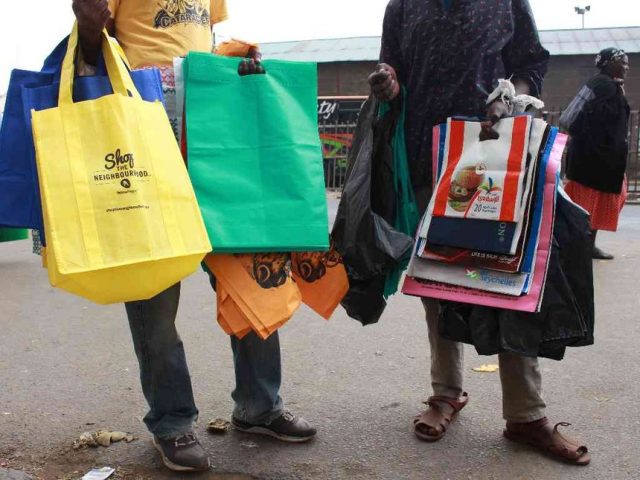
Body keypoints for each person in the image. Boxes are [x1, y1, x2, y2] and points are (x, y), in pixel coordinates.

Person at [71, 0, 316, 472]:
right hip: (145, 137)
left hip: (216, 134)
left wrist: (235, 63)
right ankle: (171, 421)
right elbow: (88, 52)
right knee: (155, 292)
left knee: (250, 282)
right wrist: (85, 27)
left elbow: (199, 44)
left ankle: (259, 407)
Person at [369, 0, 590, 466]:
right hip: (430, 154)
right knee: (438, 280)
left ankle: (525, 416)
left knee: (505, 277)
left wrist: (512, 94)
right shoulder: (403, 5)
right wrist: (388, 81)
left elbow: (531, 60)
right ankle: (446, 393)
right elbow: (394, 66)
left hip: (498, 156)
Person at [564, 48, 631, 260]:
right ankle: (581, 246)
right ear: (608, 63)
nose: (626, 67)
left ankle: (587, 246)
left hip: (598, 159)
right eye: (622, 62)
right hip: (594, 159)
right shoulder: (604, 86)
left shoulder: (605, 85)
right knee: (587, 205)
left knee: (598, 202)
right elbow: (579, 120)